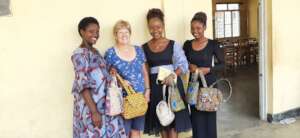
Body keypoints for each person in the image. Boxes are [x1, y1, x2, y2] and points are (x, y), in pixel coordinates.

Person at [71, 17, 126, 138]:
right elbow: (82, 85)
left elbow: (101, 72)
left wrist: (110, 70)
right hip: (91, 108)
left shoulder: (95, 51)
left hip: (104, 106)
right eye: (91, 31)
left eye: (97, 31)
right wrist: (94, 112)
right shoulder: (79, 54)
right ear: (82, 32)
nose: (95, 34)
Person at [142, 8, 192, 138]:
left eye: (158, 27)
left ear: (163, 26)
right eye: (151, 28)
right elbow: (144, 70)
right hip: (155, 88)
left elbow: (184, 65)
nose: (155, 30)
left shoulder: (173, 44)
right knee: (162, 121)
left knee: (174, 123)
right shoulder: (144, 48)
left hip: (173, 86)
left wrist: (173, 75)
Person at [104, 20, 150, 138]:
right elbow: (107, 75)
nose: (124, 35)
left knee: (136, 131)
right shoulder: (110, 53)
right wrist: (120, 81)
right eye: (120, 32)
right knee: (123, 131)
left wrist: (147, 90)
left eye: (126, 32)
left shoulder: (138, 50)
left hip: (140, 98)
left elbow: (144, 72)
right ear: (115, 35)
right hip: (122, 100)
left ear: (130, 33)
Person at [183, 12, 224, 138]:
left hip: (209, 86)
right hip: (194, 86)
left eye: (198, 28)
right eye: (192, 28)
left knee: (209, 117)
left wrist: (208, 69)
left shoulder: (213, 44)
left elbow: (223, 65)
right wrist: (189, 66)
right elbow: (182, 62)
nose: (195, 31)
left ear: (205, 27)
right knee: (196, 118)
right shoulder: (187, 45)